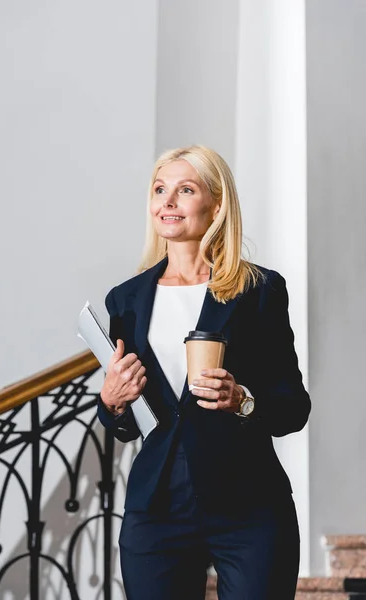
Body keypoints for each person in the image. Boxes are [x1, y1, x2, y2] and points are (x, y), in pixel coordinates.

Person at [97, 145, 311, 600]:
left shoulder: (258, 290)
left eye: (185, 189)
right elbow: (126, 426)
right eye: (160, 190)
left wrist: (243, 399)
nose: (167, 201)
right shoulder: (126, 300)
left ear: (216, 205)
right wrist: (112, 402)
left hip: (248, 507)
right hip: (156, 508)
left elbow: (294, 406)